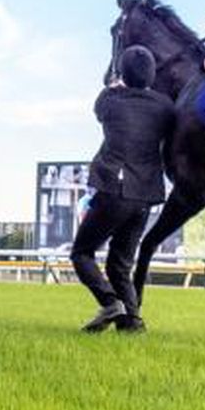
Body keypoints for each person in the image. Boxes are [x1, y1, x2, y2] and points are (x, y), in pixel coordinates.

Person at [70, 45, 176, 333]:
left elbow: (102, 103)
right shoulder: (165, 107)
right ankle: (133, 322)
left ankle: (109, 302)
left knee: (82, 253)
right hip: (145, 197)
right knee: (120, 264)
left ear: (124, 73)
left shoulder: (110, 100)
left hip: (113, 189)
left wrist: (116, 82)